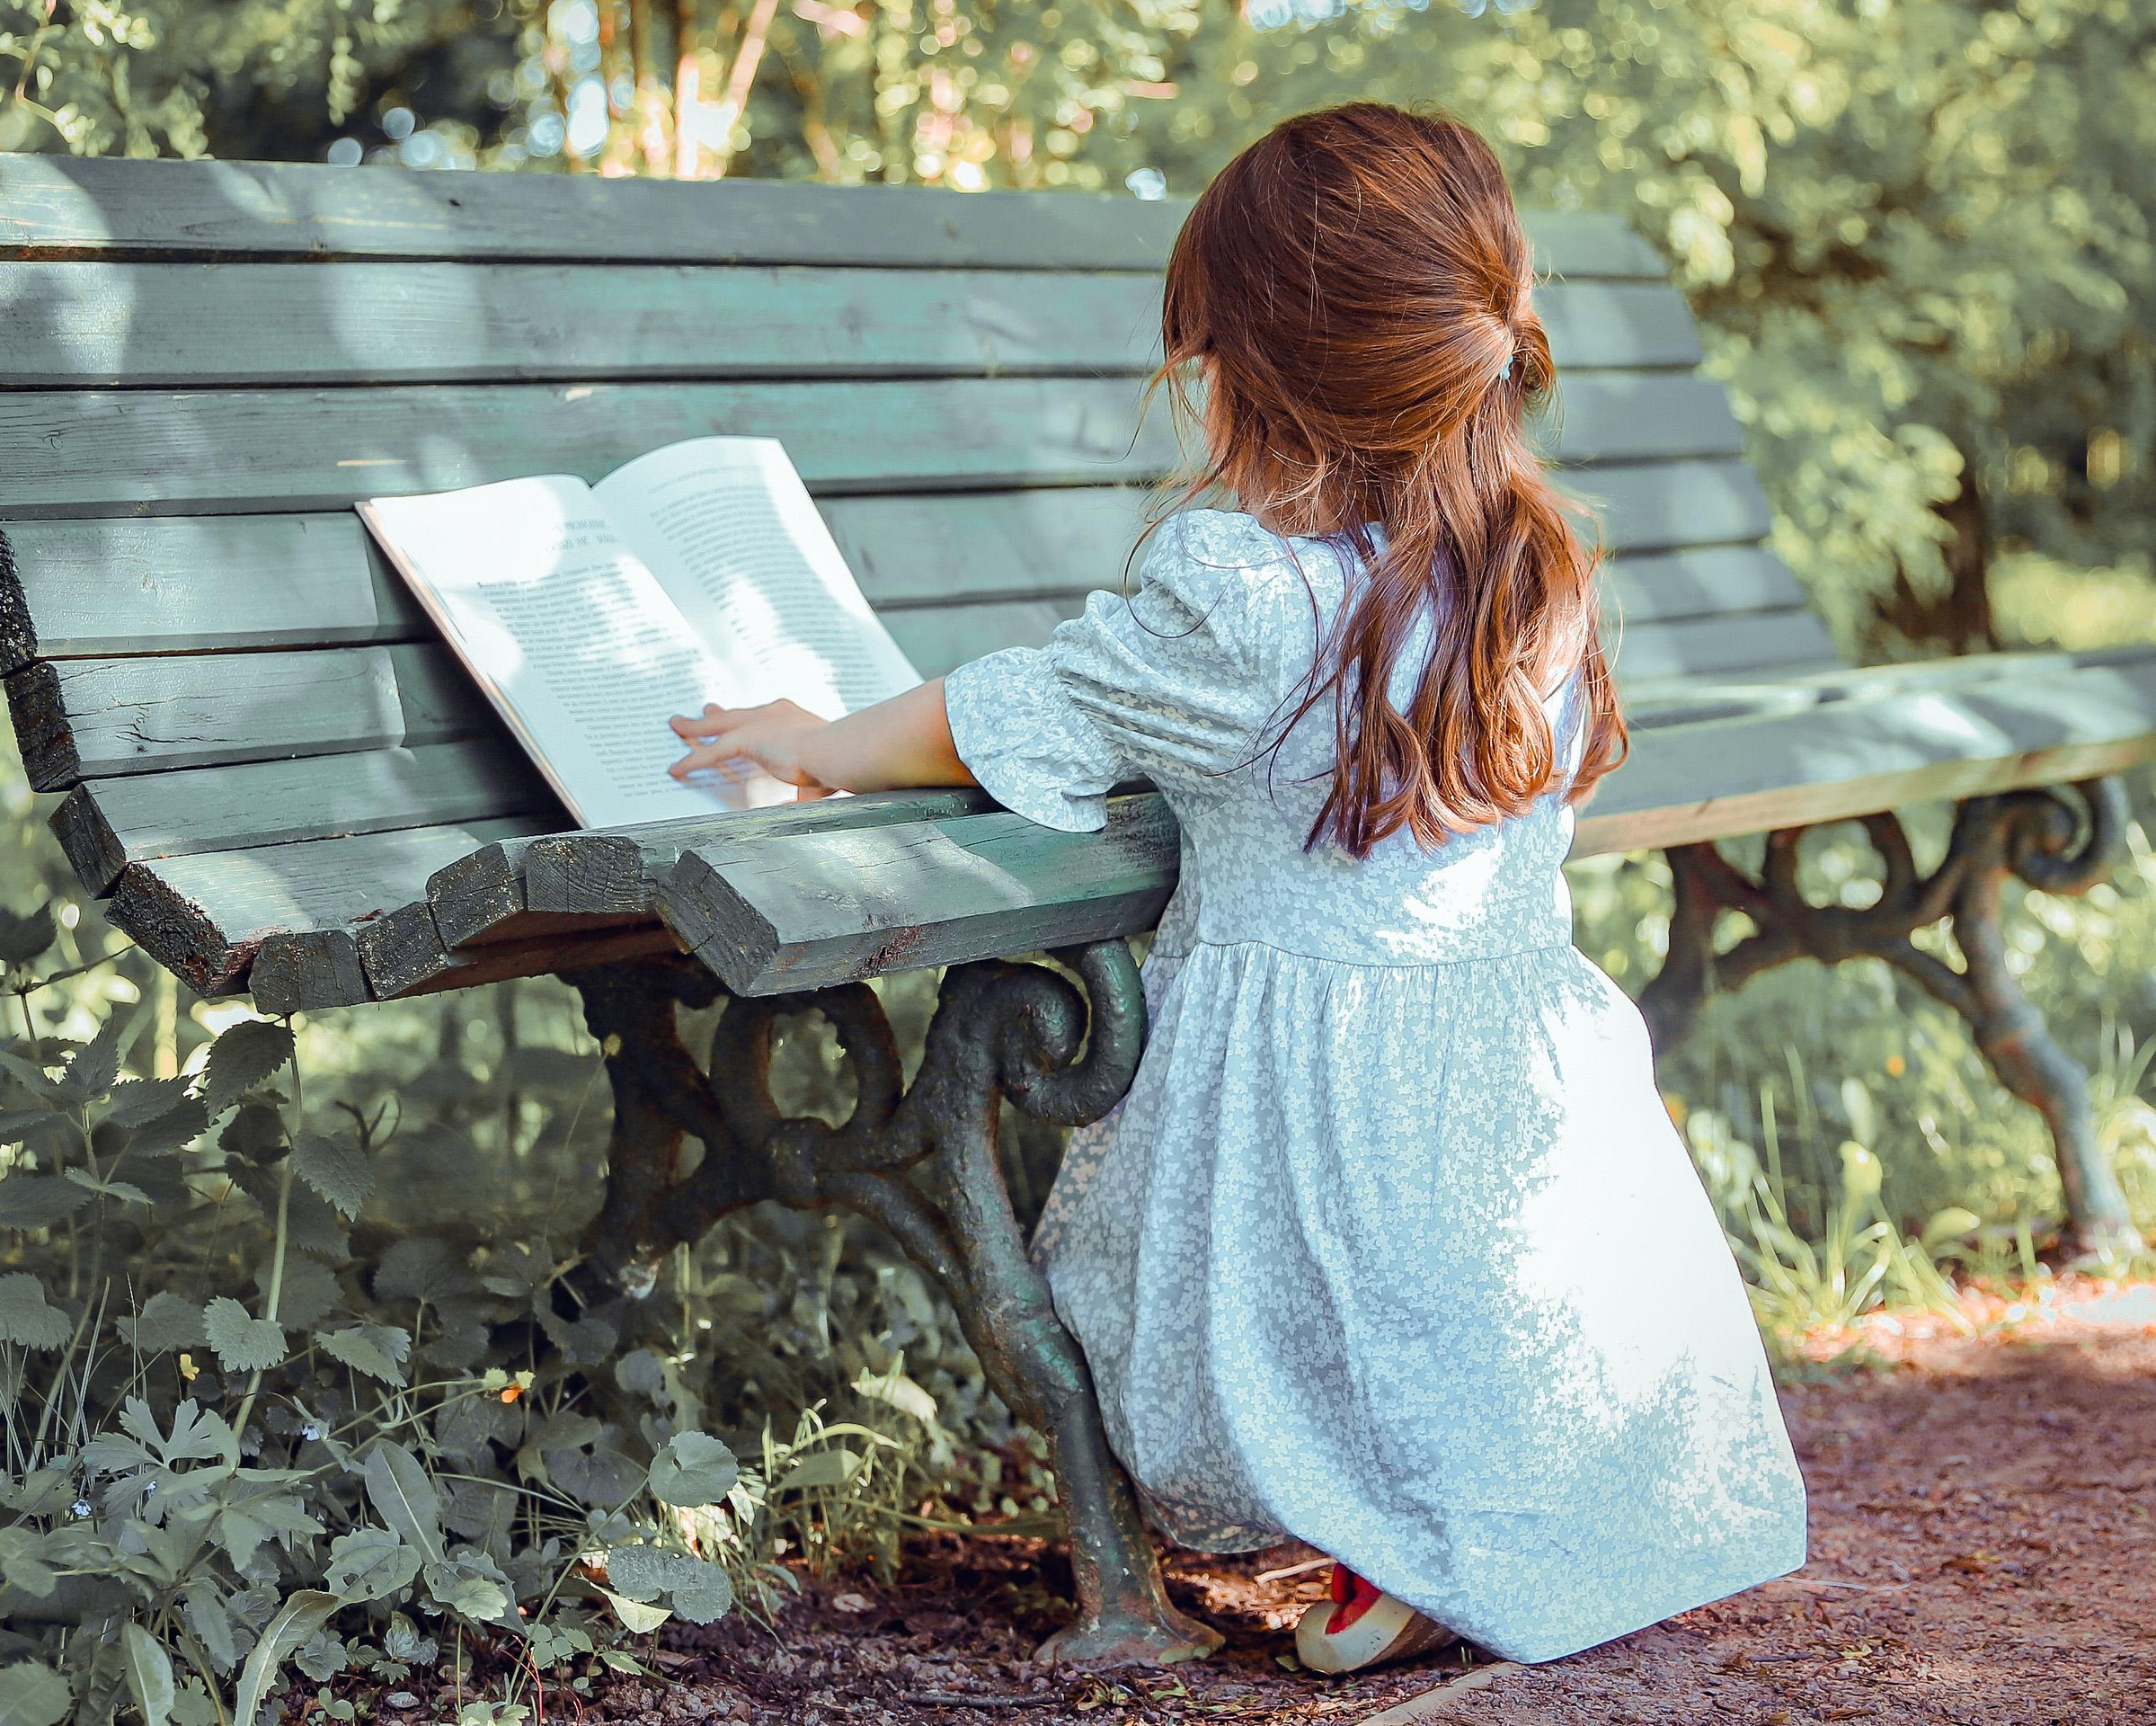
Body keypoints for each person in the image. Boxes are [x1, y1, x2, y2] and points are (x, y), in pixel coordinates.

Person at [669, 102, 1807, 1673]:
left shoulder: (1240, 599)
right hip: (1512, 1074)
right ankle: (1531, 1489)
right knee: (1466, 1297)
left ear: (1250, 374)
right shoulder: (1535, 574)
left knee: (1249, 1307)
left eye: (1202, 352)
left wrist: (818, 743)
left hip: (1311, 1101)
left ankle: (1393, 1531)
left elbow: (1011, 707)